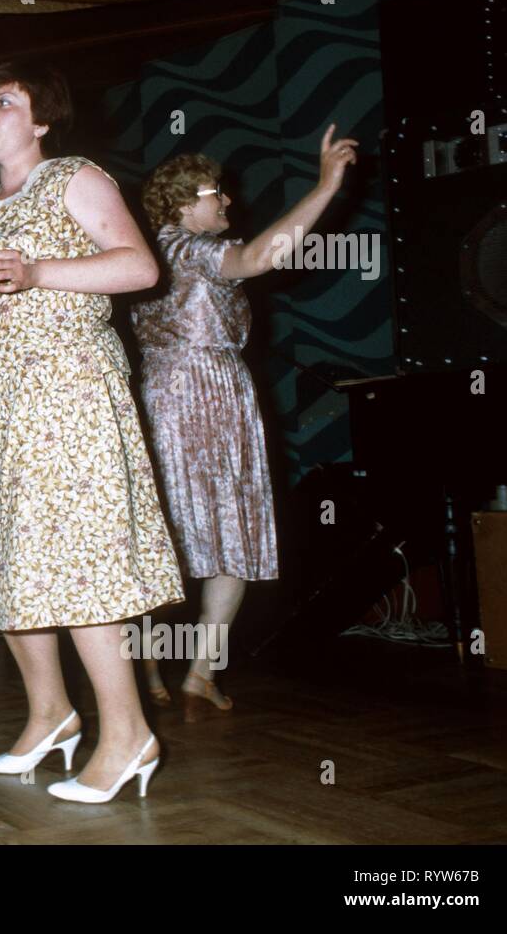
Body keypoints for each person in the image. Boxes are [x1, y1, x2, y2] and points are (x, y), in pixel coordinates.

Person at [0, 62, 184, 803]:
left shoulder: (75, 177)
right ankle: (51, 716)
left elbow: (139, 268)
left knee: (78, 562)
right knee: (9, 561)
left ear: (40, 122)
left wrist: (39, 270)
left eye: (6, 101)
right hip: (9, 400)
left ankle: (127, 734)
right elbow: (2, 310)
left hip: (72, 393)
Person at [132, 126, 358, 720]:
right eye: (215, 192)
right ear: (182, 203)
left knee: (175, 535)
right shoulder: (186, 247)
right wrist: (327, 183)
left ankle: (158, 667)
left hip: (177, 393)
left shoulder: (145, 254)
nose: (227, 200)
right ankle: (193, 671)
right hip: (203, 394)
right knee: (224, 534)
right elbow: (260, 256)